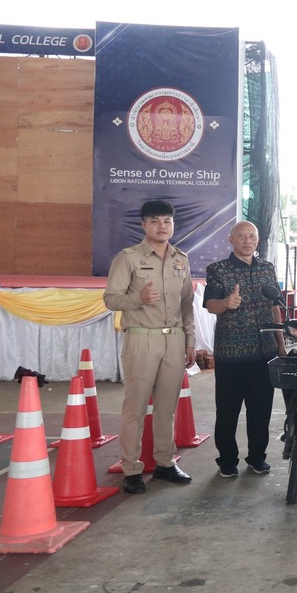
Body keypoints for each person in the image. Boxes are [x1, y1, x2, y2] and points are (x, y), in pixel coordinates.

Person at [103, 200, 196, 494]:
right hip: (142, 338)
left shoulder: (181, 259)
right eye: (155, 221)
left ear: (173, 225)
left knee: (167, 408)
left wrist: (190, 341)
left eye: (167, 221)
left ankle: (165, 463)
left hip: (174, 340)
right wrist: (138, 299)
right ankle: (131, 469)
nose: (162, 226)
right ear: (144, 225)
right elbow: (110, 299)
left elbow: (187, 304)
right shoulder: (128, 258)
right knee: (136, 407)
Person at [203, 221, 286, 478]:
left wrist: (281, 344)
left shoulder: (267, 268)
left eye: (252, 236)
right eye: (241, 236)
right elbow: (210, 305)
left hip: (264, 353)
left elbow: (275, 306)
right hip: (231, 355)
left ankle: (257, 458)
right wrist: (226, 303)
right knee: (227, 411)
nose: (247, 241)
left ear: (257, 240)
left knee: (260, 410)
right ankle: (227, 460)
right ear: (231, 240)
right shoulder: (218, 269)